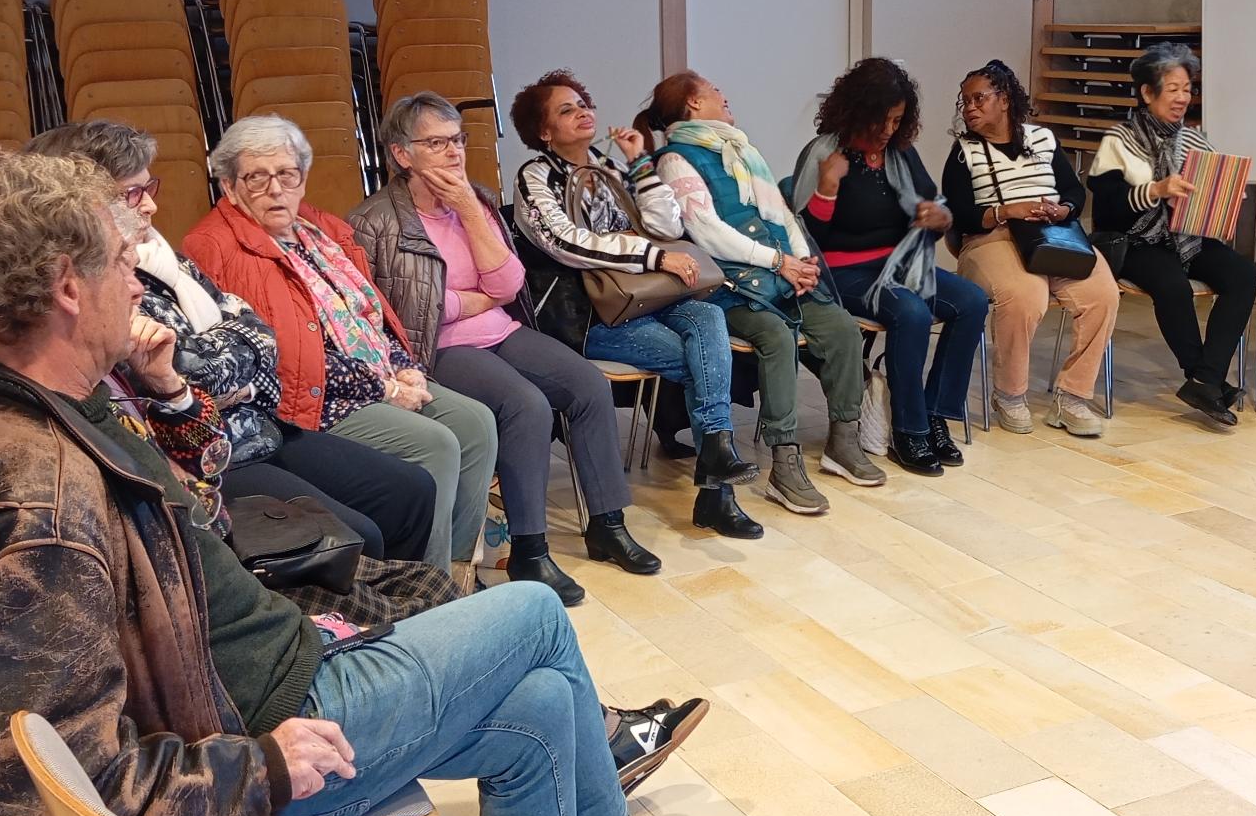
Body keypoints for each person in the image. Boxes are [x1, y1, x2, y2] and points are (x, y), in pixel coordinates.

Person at [0, 151, 718, 816]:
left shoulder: (34, 401)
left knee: (539, 706)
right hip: (260, 732)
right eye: (120, 263)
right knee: (534, 614)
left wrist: (170, 392)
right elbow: (41, 788)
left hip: (257, 674)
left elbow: (193, 510)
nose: (136, 286)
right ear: (67, 287)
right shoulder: (35, 504)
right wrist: (261, 771)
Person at [21, 120, 439, 568]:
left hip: (257, 421)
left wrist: (236, 366)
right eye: (132, 193)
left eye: (289, 174)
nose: (152, 205)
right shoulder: (112, 278)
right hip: (216, 448)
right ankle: (371, 604)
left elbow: (261, 335)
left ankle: (412, 595)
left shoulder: (167, 256)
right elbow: (191, 370)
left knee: (411, 490)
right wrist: (238, 366)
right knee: (361, 531)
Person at [349, 93, 661, 605]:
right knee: (525, 404)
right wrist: (472, 300)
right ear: (402, 154)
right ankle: (529, 550)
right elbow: (402, 309)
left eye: (457, 140)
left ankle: (608, 524)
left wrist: (468, 210)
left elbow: (508, 284)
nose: (453, 152)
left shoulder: (478, 200)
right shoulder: (375, 220)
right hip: (434, 346)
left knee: (587, 384)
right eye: (436, 143)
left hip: (499, 329)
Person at [180, 116, 497, 578]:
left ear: (303, 177)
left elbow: (370, 312)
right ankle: (428, 581)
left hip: (374, 373)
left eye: (287, 174)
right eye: (256, 178)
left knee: (476, 422)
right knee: (437, 444)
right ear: (229, 186)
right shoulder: (214, 246)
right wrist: (383, 387)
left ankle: (459, 566)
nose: (276, 189)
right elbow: (274, 356)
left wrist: (403, 365)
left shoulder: (320, 229)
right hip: (312, 396)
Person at [510, 69, 764, 540]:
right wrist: (650, 255)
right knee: (704, 360)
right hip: (590, 315)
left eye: (583, 103)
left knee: (708, 315)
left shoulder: (608, 167)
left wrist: (641, 164)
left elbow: (666, 227)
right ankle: (717, 492)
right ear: (543, 131)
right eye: (566, 110)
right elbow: (565, 243)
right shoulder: (535, 177)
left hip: (647, 297)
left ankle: (716, 464)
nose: (582, 112)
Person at [635, 70, 887, 511]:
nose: (723, 94)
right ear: (693, 103)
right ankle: (784, 462)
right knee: (776, 335)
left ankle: (843, 441)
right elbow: (707, 232)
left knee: (843, 330)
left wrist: (801, 262)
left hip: (780, 273)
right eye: (714, 89)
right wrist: (778, 262)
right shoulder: (676, 159)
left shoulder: (741, 149)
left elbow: (782, 214)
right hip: (727, 286)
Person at [789, 58, 988, 475]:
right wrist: (827, 188)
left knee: (971, 300)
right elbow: (805, 238)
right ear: (857, 110)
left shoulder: (900, 154)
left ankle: (934, 414)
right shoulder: (825, 153)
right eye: (880, 119)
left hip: (898, 265)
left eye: (897, 120)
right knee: (911, 313)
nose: (887, 129)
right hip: (841, 273)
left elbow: (933, 206)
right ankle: (908, 430)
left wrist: (939, 218)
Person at [944, 60, 1120, 437]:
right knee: (1024, 294)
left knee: (1103, 294)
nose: (969, 107)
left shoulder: (1043, 139)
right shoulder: (964, 151)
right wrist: (1006, 211)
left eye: (978, 98)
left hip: (1052, 235)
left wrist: (1064, 209)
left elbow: (1073, 191)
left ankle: (1072, 397)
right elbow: (957, 215)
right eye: (965, 101)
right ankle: (1009, 395)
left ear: (1004, 100)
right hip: (990, 239)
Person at [1089, 45, 1256, 426]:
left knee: (1244, 275)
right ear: (1147, 93)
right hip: (1134, 240)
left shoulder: (1195, 140)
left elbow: (1208, 196)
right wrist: (1155, 190)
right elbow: (1108, 209)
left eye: (1188, 89)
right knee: (1172, 284)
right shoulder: (1120, 139)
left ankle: (1206, 379)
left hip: (1187, 236)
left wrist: (1226, 194)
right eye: (1173, 89)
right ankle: (1203, 378)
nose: (1183, 97)